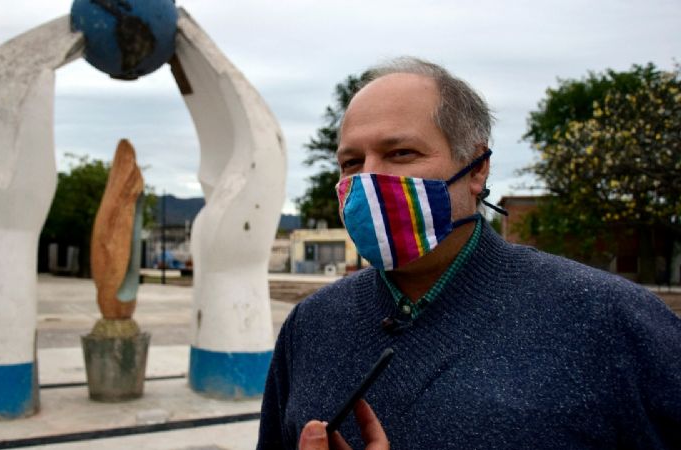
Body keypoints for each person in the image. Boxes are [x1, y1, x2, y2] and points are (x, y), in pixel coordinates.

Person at [257, 56, 681, 449]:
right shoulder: (311, 325)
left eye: (401, 153)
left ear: (477, 168)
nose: (369, 179)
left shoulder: (612, 320)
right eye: (351, 162)